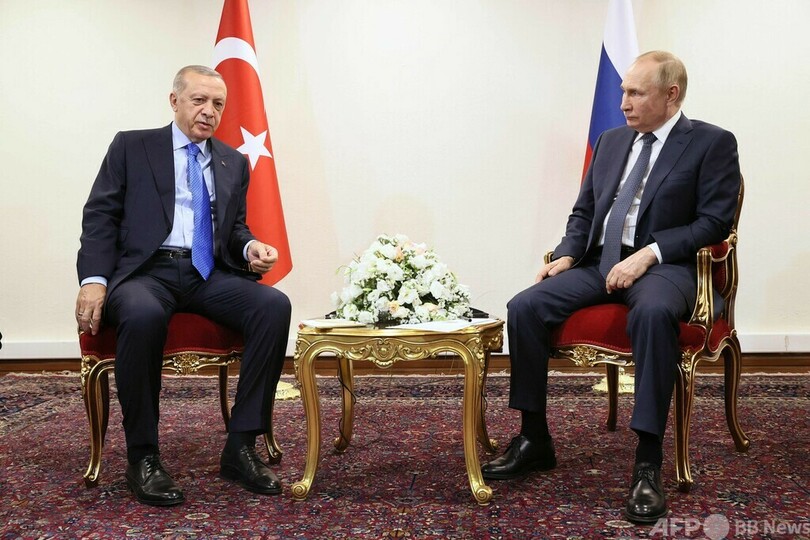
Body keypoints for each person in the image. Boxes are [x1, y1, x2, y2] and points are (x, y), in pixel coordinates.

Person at [481, 51, 740, 524]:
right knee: (525, 306)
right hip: (601, 262)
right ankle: (534, 438)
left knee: (653, 314)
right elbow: (584, 211)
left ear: (671, 95)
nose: (623, 102)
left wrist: (650, 253)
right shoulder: (610, 140)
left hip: (666, 267)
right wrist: (565, 254)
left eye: (636, 93)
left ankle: (647, 463)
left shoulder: (711, 143)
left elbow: (713, 221)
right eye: (623, 91)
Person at [76, 65, 292, 507]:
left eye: (218, 104)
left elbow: (233, 228)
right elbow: (100, 216)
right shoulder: (132, 146)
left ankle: (240, 447)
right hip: (145, 273)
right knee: (142, 314)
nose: (209, 111)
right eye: (199, 100)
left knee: (274, 305)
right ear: (174, 101)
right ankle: (143, 456)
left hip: (205, 273)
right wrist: (94, 280)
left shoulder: (233, 161)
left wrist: (249, 246)